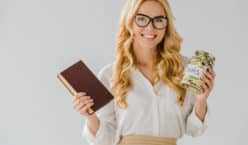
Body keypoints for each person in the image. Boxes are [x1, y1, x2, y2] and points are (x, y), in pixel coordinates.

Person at [72, 0, 216, 145]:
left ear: (166, 25)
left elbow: (194, 130)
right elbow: (105, 140)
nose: (150, 27)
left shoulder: (184, 68)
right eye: (141, 19)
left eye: (158, 20)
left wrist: (201, 100)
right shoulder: (110, 74)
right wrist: (90, 116)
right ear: (129, 22)